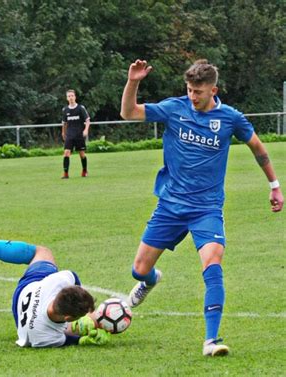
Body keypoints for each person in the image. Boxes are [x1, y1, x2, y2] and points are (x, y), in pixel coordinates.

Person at [120, 59, 284, 356]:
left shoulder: (230, 118)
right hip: (170, 205)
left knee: (213, 264)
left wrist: (274, 186)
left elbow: (258, 148)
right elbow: (128, 112)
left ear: (213, 90)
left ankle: (211, 340)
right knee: (139, 270)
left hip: (207, 208)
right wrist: (134, 82)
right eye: (189, 90)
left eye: (198, 91)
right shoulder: (174, 108)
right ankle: (150, 280)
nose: (193, 96)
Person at [0, 213, 110, 348]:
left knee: (40, 253)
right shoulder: (45, 337)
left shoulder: (55, 282)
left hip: (29, 288)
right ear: (68, 318)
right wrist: (83, 339)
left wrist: (81, 307)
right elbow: (68, 339)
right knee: (42, 251)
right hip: (25, 316)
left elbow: (73, 278)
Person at [61, 89, 90, 178]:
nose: (71, 98)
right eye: (69, 96)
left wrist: (86, 130)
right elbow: (64, 123)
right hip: (69, 134)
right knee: (66, 153)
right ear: (67, 98)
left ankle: (84, 170)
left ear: (75, 97)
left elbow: (87, 120)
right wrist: (63, 132)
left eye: (72, 96)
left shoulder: (81, 108)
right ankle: (66, 173)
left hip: (79, 134)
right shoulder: (65, 110)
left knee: (81, 154)